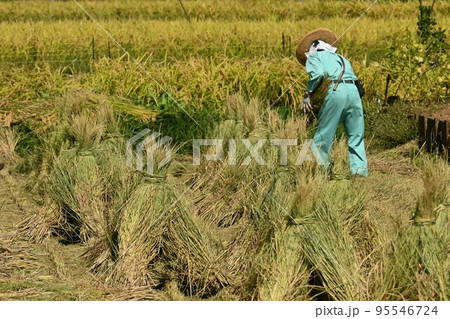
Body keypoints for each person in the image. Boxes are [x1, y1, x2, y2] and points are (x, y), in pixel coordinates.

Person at [296, 28, 368, 177]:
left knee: (323, 135)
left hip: (336, 90)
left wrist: (308, 93)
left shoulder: (314, 58)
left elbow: (318, 74)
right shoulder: (342, 58)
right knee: (356, 134)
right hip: (353, 91)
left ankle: (322, 171)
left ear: (312, 49)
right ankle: (359, 173)